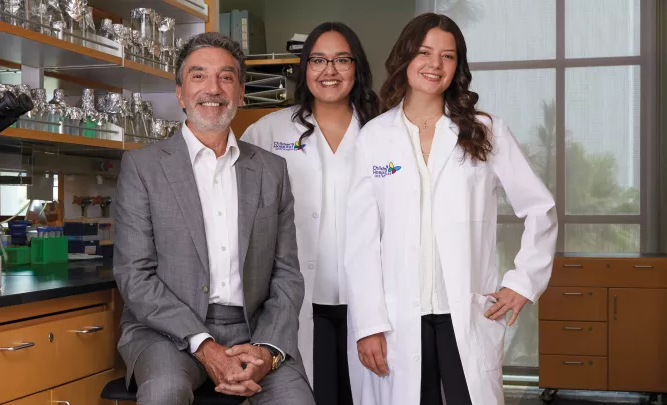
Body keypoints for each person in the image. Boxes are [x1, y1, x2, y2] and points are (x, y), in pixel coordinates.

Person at [343, 13, 558, 405]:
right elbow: (360, 243)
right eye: (424, 52)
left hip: (465, 313)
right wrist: (368, 324)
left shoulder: (484, 130)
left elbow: (539, 207)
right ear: (405, 58)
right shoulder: (374, 138)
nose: (435, 65)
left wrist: (522, 283)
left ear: (458, 66)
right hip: (398, 320)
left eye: (448, 56)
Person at [113, 32, 315, 405]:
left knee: (296, 401)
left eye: (225, 77)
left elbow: (286, 274)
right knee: (164, 393)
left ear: (240, 92)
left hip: (253, 330)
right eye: (198, 76)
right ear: (180, 93)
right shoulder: (143, 168)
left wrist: (267, 351)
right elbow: (134, 274)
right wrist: (205, 346)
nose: (213, 88)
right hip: (164, 333)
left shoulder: (271, 170)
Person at [241, 22, 379, 405]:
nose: (329, 70)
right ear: (304, 68)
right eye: (318, 60)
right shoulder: (267, 131)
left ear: (357, 67)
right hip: (296, 302)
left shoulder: (383, 132)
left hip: (368, 302)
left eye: (341, 60)